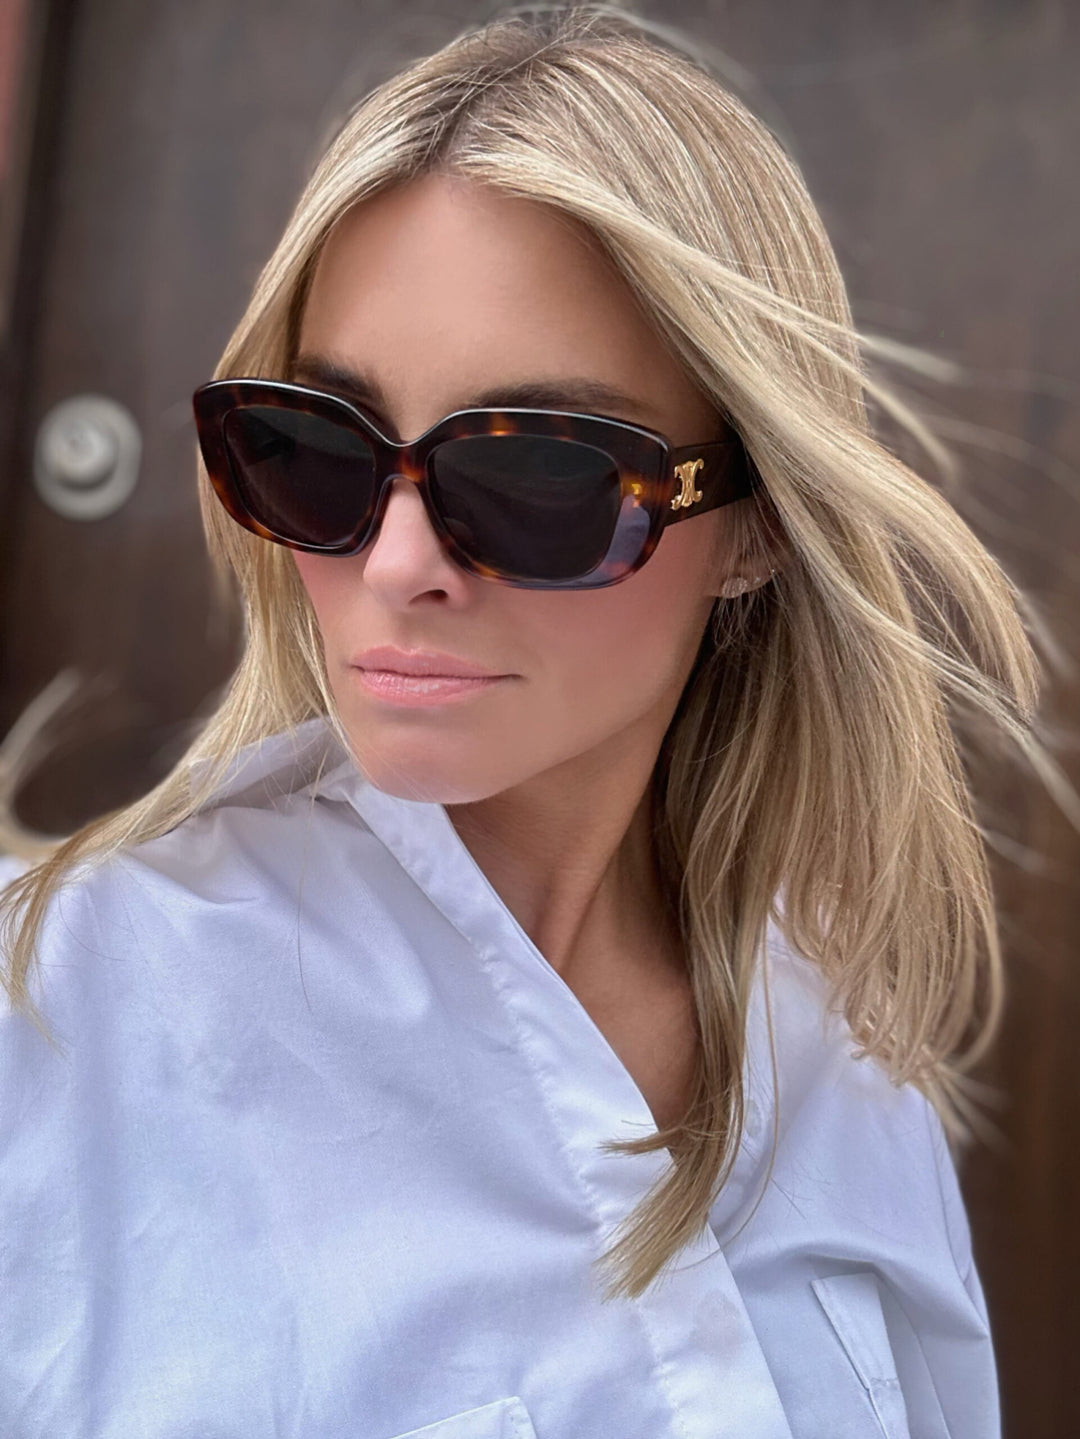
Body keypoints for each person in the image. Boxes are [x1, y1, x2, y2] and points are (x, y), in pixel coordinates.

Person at [0, 5, 1046, 1436]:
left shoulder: (849, 1089)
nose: (396, 565)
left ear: (757, 525)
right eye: (314, 449)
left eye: (542, 475)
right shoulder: (61, 1010)